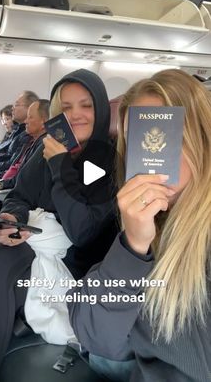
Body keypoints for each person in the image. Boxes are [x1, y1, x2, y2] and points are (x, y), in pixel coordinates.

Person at [67, 69, 211, 382]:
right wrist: (132, 245)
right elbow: (97, 336)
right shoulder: (146, 221)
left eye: (166, 136)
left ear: (200, 137)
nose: (153, 156)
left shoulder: (97, 160)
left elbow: (81, 225)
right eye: (139, 143)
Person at [0, 69, 118, 382]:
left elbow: (81, 230)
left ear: (101, 109)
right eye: (66, 108)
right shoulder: (46, 146)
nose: (76, 115)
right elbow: (20, 195)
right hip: (32, 242)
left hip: (72, 261)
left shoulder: (102, 159)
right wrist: (13, 218)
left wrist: (60, 164)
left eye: (86, 105)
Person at [0, 99, 50, 234]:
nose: (26, 121)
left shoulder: (44, 148)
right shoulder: (31, 142)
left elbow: (23, 182)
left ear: (44, 122)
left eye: (30, 117)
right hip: (7, 189)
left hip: (10, 196)